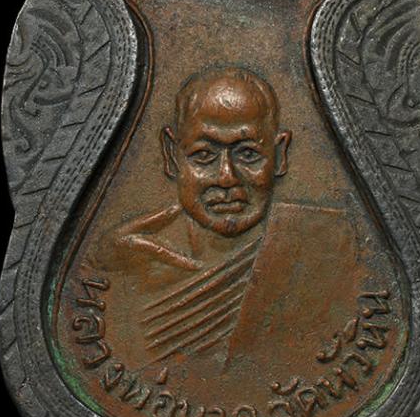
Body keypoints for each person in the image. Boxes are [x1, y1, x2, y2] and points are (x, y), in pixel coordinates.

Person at [96, 66, 355, 365]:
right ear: (171, 155)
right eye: (204, 155)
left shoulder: (328, 246)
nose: (227, 177)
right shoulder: (125, 258)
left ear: (279, 154)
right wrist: (102, 266)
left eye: (248, 154)